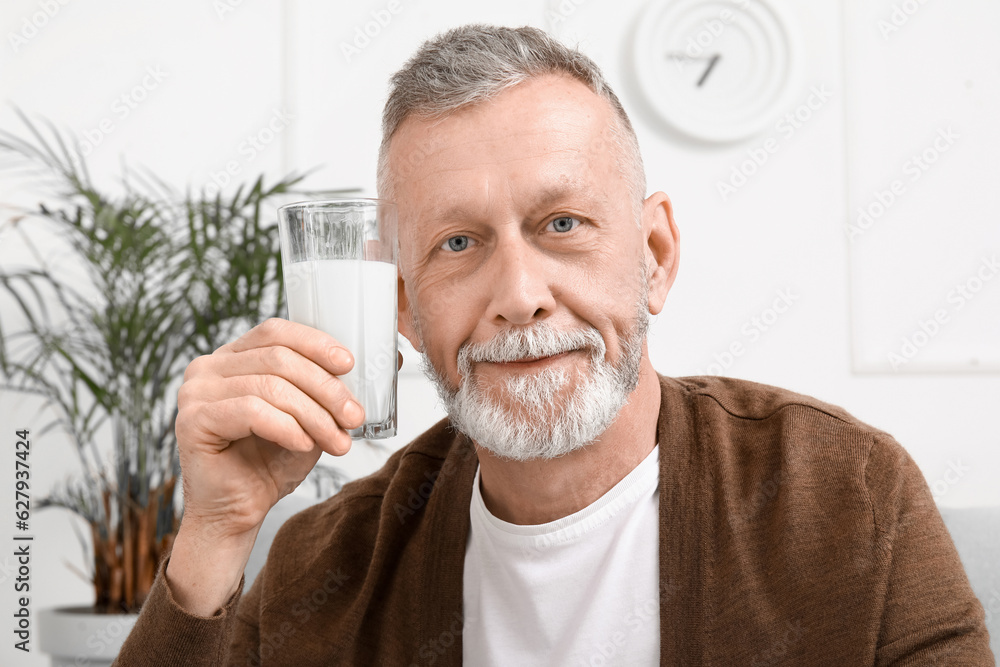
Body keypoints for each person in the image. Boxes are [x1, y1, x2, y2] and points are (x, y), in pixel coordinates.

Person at [114, 24, 991, 666]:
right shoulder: (324, 567)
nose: (520, 297)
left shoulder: (850, 499)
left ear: (654, 255)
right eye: (458, 244)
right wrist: (215, 533)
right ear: (405, 310)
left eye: (561, 223)